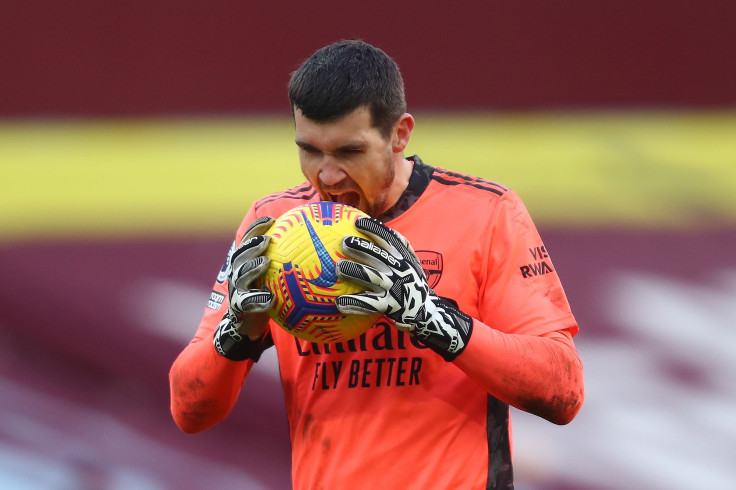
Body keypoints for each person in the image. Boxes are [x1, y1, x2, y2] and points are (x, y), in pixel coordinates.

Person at [169, 39, 584, 489]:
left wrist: (434, 321)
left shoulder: (486, 213)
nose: (326, 176)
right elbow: (189, 411)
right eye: (309, 150)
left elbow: (562, 393)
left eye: (349, 152)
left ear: (400, 134)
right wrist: (237, 331)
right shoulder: (271, 228)